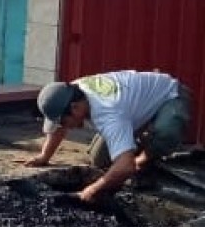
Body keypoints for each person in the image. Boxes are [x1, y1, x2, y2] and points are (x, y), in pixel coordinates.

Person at [28, 72, 193, 202]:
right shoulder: (74, 90)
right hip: (132, 107)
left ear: (75, 107)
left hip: (170, 95)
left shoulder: (109, 114)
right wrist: (44, 156)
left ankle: (145, 156)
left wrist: (93, 189)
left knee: (165, 134)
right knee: (100, 159)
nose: (65, 127)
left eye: (65, 121)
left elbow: (126, 167)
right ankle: (137, 139)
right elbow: (57, 127)